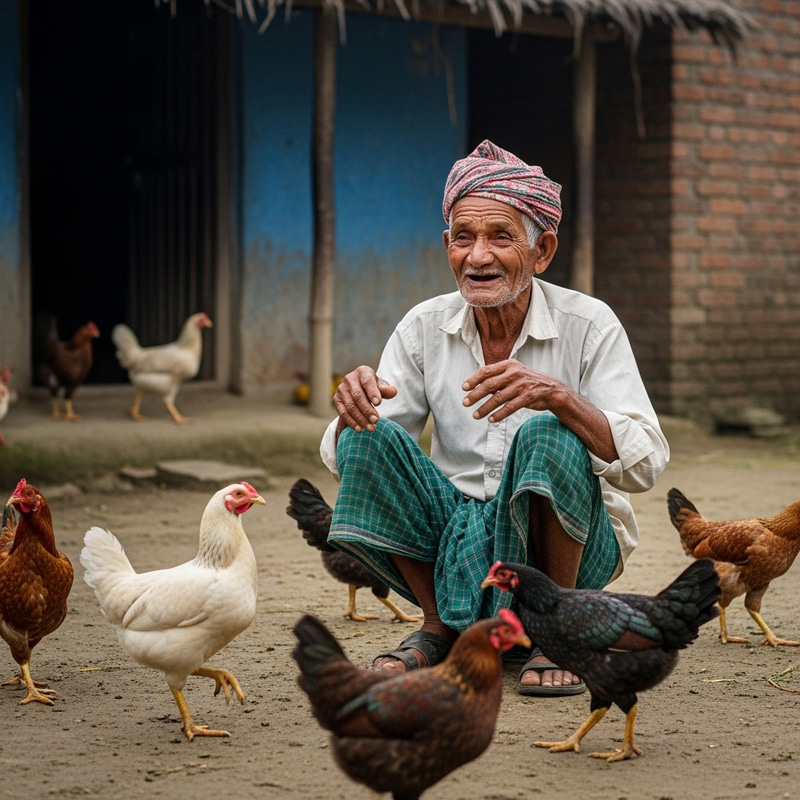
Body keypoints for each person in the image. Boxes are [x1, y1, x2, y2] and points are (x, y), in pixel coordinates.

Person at [319, 140, 669, 695]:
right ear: (447, 246)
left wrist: (562, 398)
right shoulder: (423, 325)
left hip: (573, 550)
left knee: (548, 431)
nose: (477, 256)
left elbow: (647, 463)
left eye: (500, 237)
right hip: (453, 548)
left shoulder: (589, 324)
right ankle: (438, 627)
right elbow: (355, 459)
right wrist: (352, 409)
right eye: (463, 237)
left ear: (542, 251)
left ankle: (557, 632)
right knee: (365, 434)